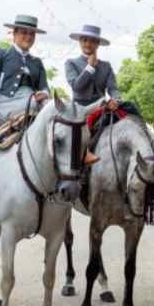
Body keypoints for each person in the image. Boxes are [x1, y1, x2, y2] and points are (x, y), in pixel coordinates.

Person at [62, 22, 134, 197]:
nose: (88, 44)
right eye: (85, 40)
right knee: (76, 134)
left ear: (97, 44)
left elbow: (113, 88)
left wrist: (115, 100)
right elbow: (77, 87)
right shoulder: (71, 63)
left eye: (92, 41)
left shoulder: (106, 66)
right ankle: (78, 172)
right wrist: (90, 67)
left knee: (129, 118)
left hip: (103, 107)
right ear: (80, 42)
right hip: (81, 109)